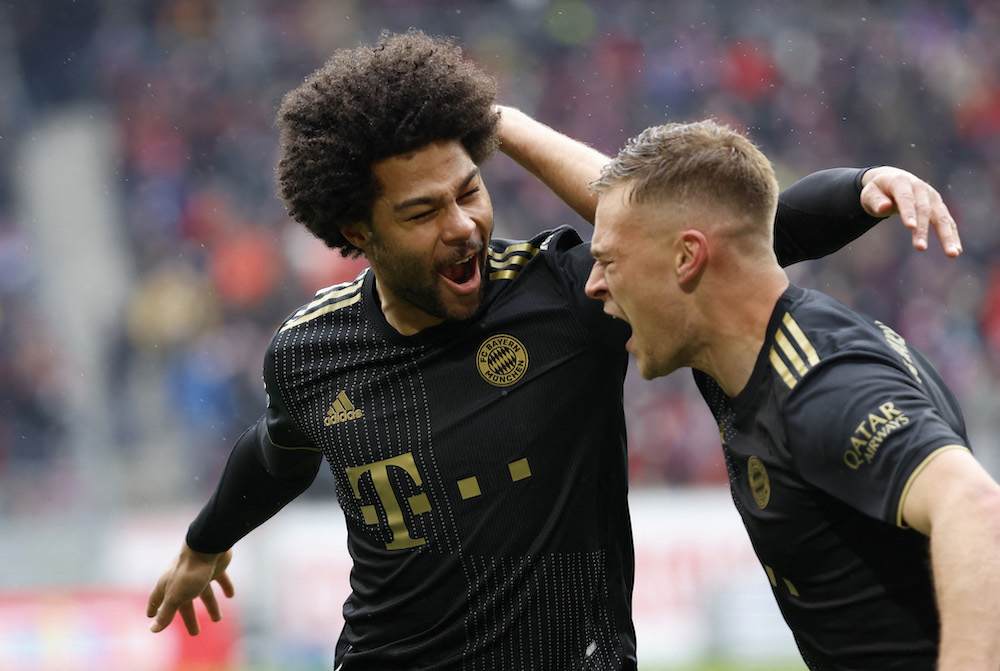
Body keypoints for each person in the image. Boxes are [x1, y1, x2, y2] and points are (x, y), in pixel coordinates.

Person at [145, 30, 963, 670]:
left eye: (471, 190)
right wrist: (205, 542)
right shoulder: (308, 351)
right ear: (356, 232)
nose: (463, 224)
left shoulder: (567, 292)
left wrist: (858, 191)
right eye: (425, 211)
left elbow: (710, 233)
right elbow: (280, 449)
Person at [584, 118, 1000, 670]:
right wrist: (501, 124)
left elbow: (975, 509)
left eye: (608, 263)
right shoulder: (731, 341)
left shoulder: (821, 383)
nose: (593, 284)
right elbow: (665, 217)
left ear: (686, 259)